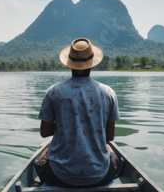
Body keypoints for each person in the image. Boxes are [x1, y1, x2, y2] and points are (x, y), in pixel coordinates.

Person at [37, 38, 120, 187]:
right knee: (109, 148)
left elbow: (44, 132)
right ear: (92, 63)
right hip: (99, 176)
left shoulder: (53, 92)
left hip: (59, 176)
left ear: (69, 63)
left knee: (45, 153)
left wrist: (62, 124)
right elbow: (110, 136)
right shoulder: (108, 93)